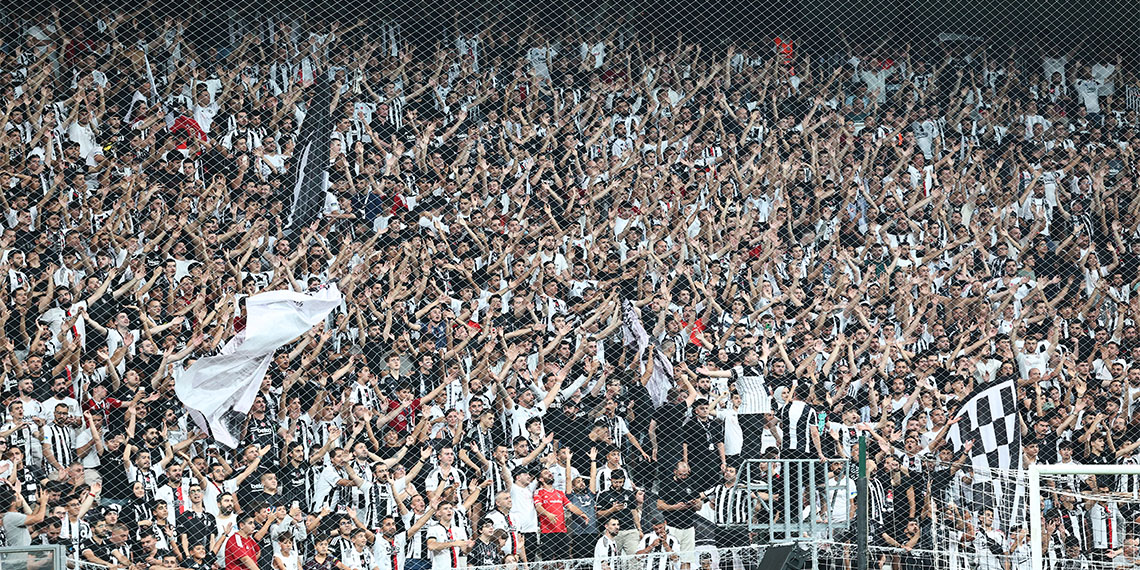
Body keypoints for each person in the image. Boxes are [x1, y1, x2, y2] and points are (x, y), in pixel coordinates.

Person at [657, 462, 702, 570]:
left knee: (687, 558)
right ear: (675, 471)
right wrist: (675, 507)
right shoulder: (666, 483)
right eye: (681, 474)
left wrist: (695, 504)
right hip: (672, 526)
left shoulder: (692, 483)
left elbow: (699, 506)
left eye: (686, 474)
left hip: (689, 526)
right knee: (672, 558)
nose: (684, 477)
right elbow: (659, 505)